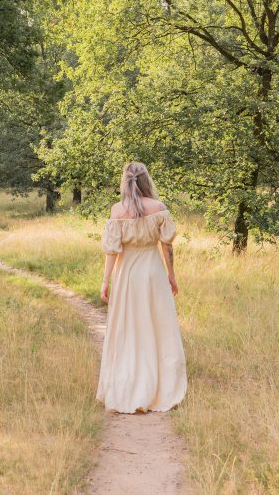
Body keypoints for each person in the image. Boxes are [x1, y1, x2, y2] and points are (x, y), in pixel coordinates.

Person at [95, 161, 187, 414]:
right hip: (153, 273)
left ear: (124, 181)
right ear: (147, 180)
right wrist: (171, 275)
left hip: (126, 275)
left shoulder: (117, 210)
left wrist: (105, 281)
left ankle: (128, 385)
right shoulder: (159, 209)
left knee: (129, 327)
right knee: (158, 327)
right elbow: (167, 246)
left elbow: (112, 251)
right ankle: (159, 386)